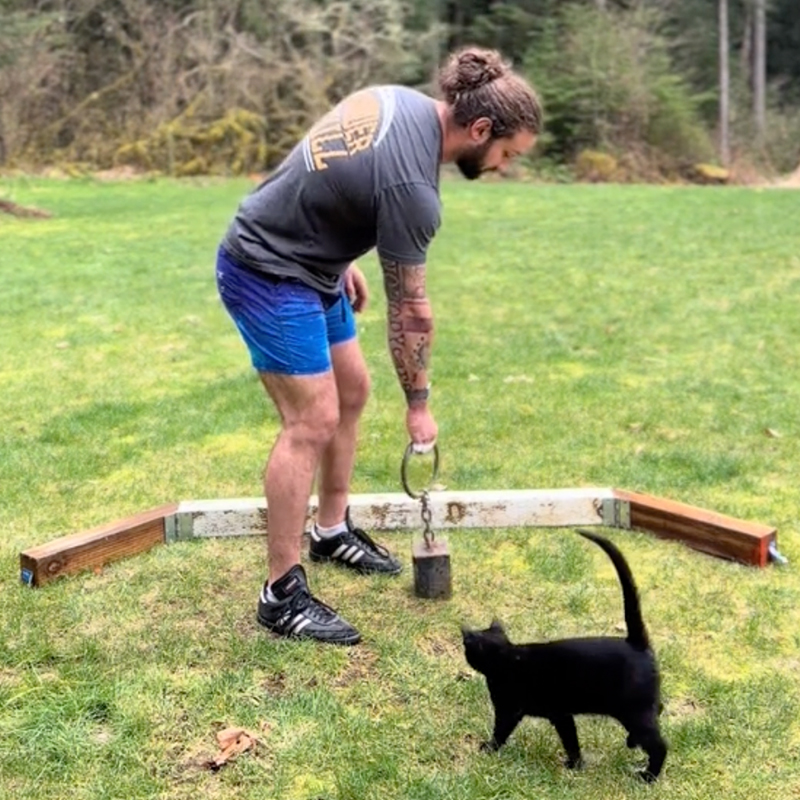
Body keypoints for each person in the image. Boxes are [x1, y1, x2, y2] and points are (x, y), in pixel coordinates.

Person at [216, 46, 543, 646]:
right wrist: (419, 406)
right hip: (265, 268)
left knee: (353, 390)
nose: (502, 165)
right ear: (479, 129)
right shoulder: (416, 188)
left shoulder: (398, 100)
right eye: (505, 153)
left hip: (315, 265)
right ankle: (280, 594)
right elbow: (411, 313)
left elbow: (334, 174)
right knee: (309, 420)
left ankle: (332, 529)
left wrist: (337, 255)